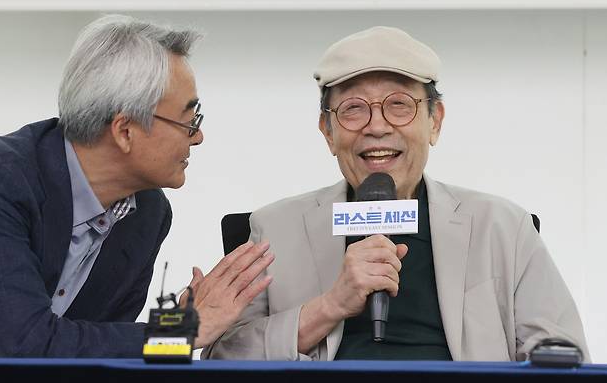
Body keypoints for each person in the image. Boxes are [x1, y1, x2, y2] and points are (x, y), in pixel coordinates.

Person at [204, 26, 589, 361]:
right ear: (327, 132)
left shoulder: (503, 227)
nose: (377, 127)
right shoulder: (274, 228)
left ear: (434, 122)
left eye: (399, 106)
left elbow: (562, 350)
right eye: (353, 109)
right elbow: (221, 355)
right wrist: (329, 307)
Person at [0, 15, 273, 357]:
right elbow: (28, 345)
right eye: (188, 121)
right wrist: (181, 332)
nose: (199, 136)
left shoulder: (149, 213)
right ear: (125, 131)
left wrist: (180, 331)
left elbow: (102, 354)